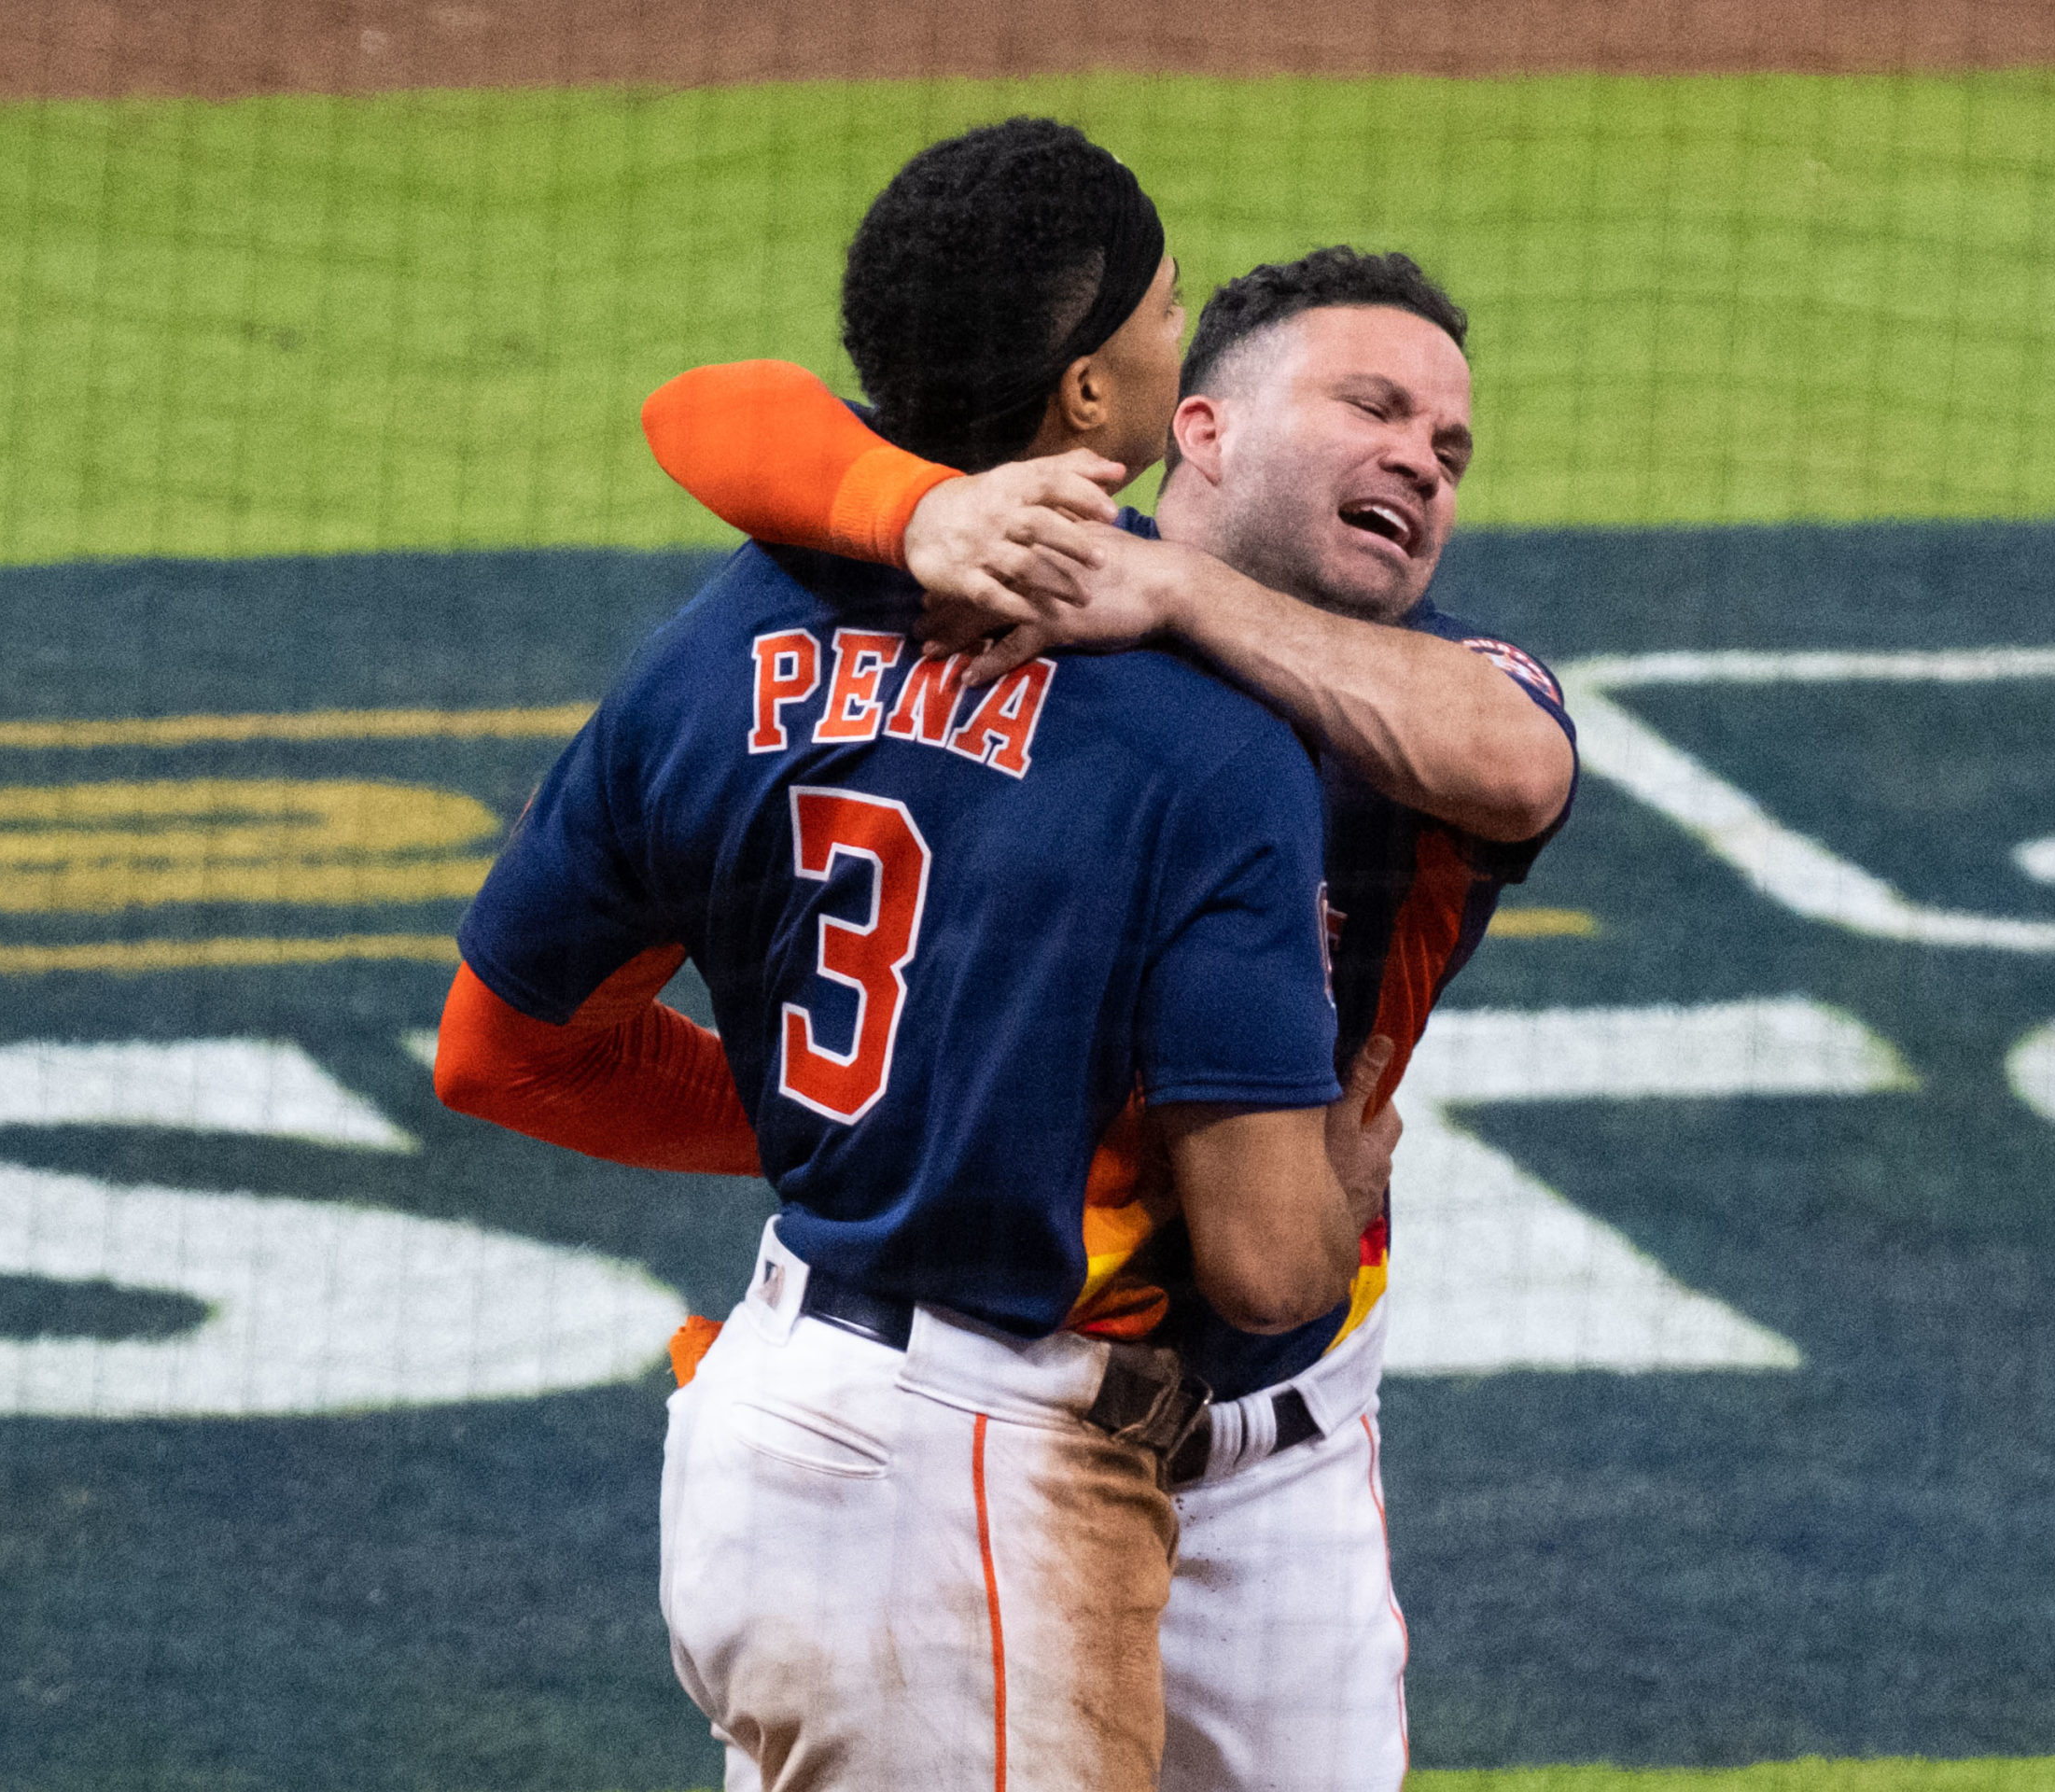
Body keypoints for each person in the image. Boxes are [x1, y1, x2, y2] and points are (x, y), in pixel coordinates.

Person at [434, 119, 1402, 1791]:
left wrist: (861, 1122)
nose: (1184, 334)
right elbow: (1264, 1268)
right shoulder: (1208, 739)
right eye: (1167, 308)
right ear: (1094, 399)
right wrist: (1335, 1182)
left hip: (779, 1433)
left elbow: (502, 1051)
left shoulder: (719, 641)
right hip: (978, 1502)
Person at [644, 218, 1581, 1788]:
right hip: (990, 1418)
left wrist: (1176, 601)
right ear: (1198, 427)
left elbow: (1518, 764)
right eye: (1371, 408)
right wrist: (923, 512)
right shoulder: (1016, 567)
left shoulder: (1441, 681)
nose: (1423, 458)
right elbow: (711, 415)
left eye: (1452, 445)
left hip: (1274, 1460)